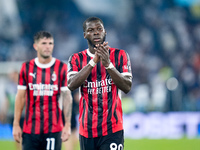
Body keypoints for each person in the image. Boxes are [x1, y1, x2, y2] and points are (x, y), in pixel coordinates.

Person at [67, 17, 132, 150]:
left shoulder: (120, 55)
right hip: (87, 129)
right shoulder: (76, 59)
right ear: (85, 35)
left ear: (105, 32)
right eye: (91, 30)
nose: (96, 32)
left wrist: (108, 65)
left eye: (99, 29)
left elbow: (127, 87)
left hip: (112, 128)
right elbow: (71, 85)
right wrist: (93, 62)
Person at [13, 31, 73, 150]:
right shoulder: (26, 68)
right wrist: (16, 124)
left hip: (53, 129)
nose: (47, 46)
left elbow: (66, 97)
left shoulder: (62, 68)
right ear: (36, 46)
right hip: (30, 129)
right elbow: (20, 97)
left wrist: (67, 124)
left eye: (50, 43)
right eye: (44, 43)